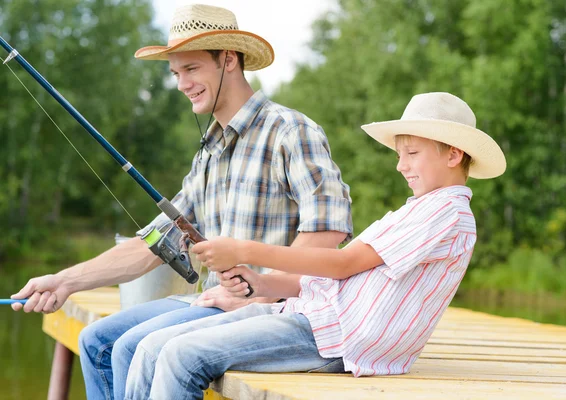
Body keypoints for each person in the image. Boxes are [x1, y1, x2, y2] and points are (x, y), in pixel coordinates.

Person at [10, 4, 352, 400]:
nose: (180, 83)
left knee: (125, 349)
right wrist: (64, 281)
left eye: (190, 69)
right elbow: (154, 244)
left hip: (274, 311)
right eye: (175, 73)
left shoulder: (290, 130)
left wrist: (264, 289)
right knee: (95, 341)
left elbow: (328, 230)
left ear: (228, 60)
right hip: (212, 300)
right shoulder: (208, 152)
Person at [122, 91, 507, 399]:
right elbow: (341, 278)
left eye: (412, 154)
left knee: (180, 356)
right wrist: (261, 284)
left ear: (454, 154)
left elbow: (342, 264)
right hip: (314, 317)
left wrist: (242, 249)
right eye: (400, 154)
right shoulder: (417, 210)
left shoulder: (447, 213)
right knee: (152, 346)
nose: (400, 165)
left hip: (338, 339)